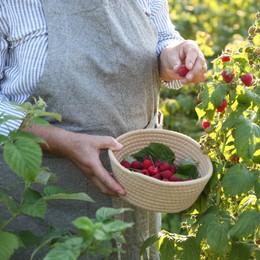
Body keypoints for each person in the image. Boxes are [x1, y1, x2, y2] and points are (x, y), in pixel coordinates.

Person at [0, 0, 207, 259]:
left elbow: (162, 36)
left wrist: (173, 54)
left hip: (134, 189)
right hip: (42, 191)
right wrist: (62, 141)